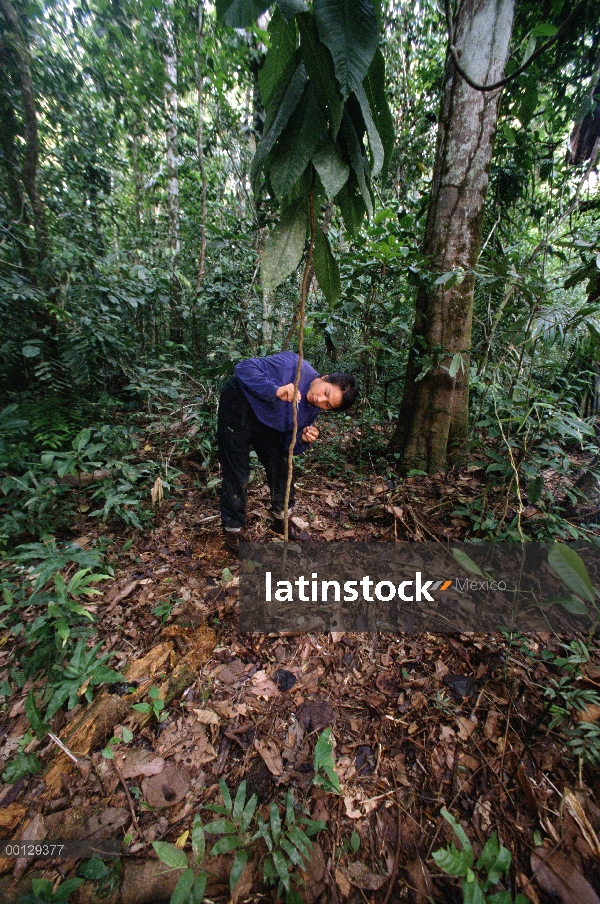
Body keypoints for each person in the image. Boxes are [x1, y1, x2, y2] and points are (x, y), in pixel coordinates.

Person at [217, 351, 358, 552]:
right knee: (237, 470)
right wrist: (274, 390)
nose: (319, 400)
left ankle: (282, 519)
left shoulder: (312, 409)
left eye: (327, 405)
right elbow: (243, 368)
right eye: (325, 393)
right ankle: (233, 529)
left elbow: (287, 444)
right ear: (324, 378)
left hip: (268, 424)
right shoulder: (293, 365)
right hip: (239, 405)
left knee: (282, 464)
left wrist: (301, 439)